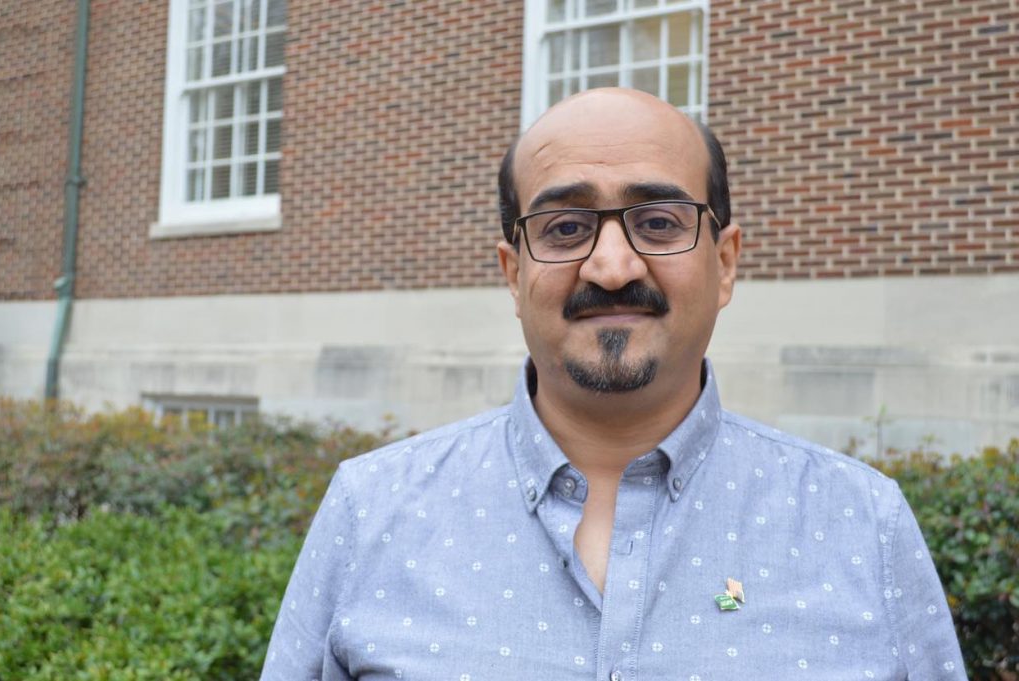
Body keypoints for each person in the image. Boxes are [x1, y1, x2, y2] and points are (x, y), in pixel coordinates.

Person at [261, 88, 965, 680]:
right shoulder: (368, 510)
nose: (612, 267)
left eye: (658, 222)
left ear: (725, 263)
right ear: (514, 273)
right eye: (566, 227)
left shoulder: (863, 524)